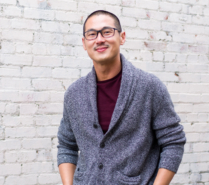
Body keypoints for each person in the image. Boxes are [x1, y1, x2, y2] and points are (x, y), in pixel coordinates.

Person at [57, 10, 186, 185]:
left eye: (107, 32)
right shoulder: (74, 93)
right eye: (92, 34)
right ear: (84, 42)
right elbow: (67, 146)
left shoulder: (149, 86)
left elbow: (173, 142)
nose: (100, 39)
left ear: (122, 37)